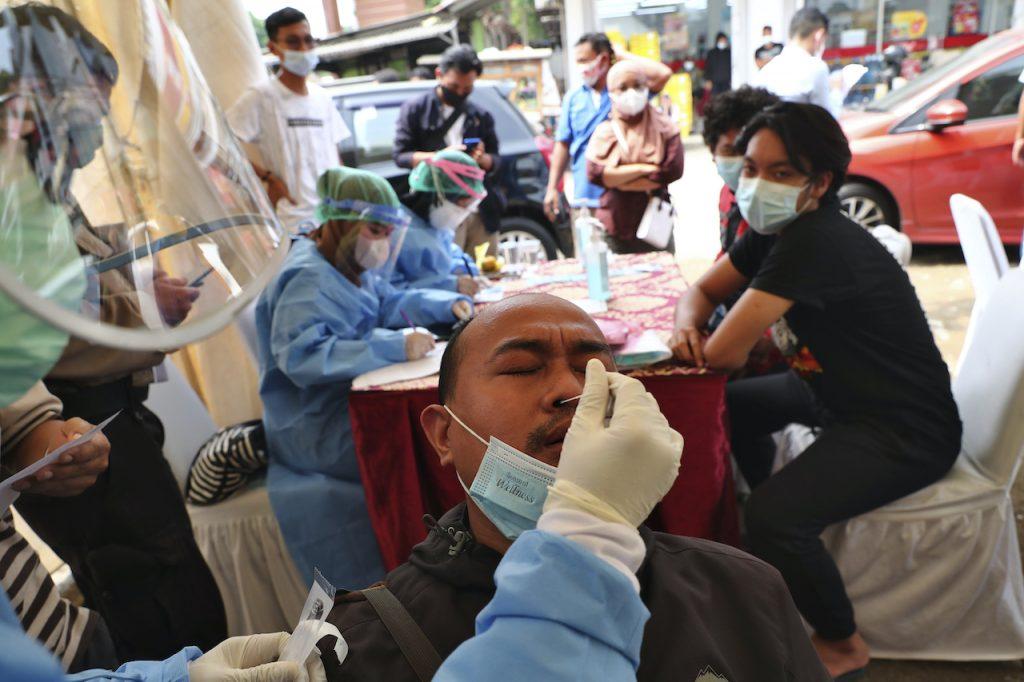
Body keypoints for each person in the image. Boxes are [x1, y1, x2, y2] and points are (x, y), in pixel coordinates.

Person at [323, 293, 830, 681]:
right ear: (444, 434)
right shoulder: (368, 645)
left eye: (597, 371)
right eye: (522, 368)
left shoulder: (744, 592)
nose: (574, 390)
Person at [669, 102, 962, 679]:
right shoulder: (774, 228)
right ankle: (759, 528)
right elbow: (700, 290)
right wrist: (686, 323)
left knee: (777, 518)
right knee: (724, 411)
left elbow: (725, 353)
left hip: (903, 427)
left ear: (818, 183)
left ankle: (843, 641)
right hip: (834, 393)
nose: (756, 183)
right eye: (750, 167)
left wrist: (702, 330)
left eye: (780, 173)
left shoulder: (814, 240)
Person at [0, 3, 226, 661]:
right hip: (73, 431)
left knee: (180, 594)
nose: (96, 131)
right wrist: (30, 427)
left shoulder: (43, 191)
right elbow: (42, 323)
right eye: (85, 108)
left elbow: (80, 282)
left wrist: (142, 301)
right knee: (158, 610)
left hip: (104, 421)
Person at [255, 166, 472, 590]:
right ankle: (430, 572)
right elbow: (301, 356)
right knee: (425, 447)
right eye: (375, 229)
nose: (382, 243)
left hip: (343, 404)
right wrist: (392, 346)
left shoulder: (342, 264)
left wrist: (448, 302)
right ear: (338, 220)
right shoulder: (307, 277)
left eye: (388, 231)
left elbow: (387, 301)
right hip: (316, 427)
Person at [227, 7, 351, 234]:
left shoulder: (322, 97)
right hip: (295, 221)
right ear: (273, 48)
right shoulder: (262, 96)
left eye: (308, 40)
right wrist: (267, 179)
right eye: (293, 42)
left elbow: (335, 154)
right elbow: (221, 142)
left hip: (333, 216)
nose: (303, 49)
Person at [543, 33, 672, 230]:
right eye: (577, 61)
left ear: (602, 59)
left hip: (623, 197)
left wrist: (620, 55)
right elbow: (563, 143)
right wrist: (552, 187)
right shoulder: (574, 98)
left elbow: (662, 74)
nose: (581, 67)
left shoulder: (626, 96)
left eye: (584, 60)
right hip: (585, 198)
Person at [393, 44, 501, 257]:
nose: (460, 93)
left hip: (479, 210)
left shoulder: (480, 115)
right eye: (454, 87)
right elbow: (400, 155)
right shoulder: (415, 110)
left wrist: (481, 159)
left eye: (467, 89)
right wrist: (442, 158)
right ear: (439, 74)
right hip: (438, 211)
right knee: (449, 275)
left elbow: (497, 160)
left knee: (489, 274)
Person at [702, 86, 780, 331]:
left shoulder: (780, 207)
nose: (743, 160)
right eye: (730, 150)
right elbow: (725, 256)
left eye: (748, 148)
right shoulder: (727, 195)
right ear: (713, 153)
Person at [585, 60, 684, 254]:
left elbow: (671, 171)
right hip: (616, 225)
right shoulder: (604, 131)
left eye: (638, 86)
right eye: (623, 87)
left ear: (647, 87)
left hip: (656, 223)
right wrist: (644, 169)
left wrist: (617, 178)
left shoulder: (665, 128)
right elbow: (595, 174)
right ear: (611, 91)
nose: (631, 93)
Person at [393, 149, 486, 295]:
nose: (465, 212)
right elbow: (390, 295)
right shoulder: (397, 233)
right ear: (438, 195)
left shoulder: (435, 226)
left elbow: (448, 258)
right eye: (463, 203)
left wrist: (466, 272)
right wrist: (450, 286)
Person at [753, 8, 838, 117]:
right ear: (819, 35)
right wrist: (837, 91)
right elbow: (828, 121)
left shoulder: (765, 72)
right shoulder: (816, 68)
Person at [703, 32, 732, 97]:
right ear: (717, 41)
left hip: (726, 82)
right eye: (721, 40)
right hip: (714, 82)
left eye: (724, 40)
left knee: (726, 99)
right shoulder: (711, 53)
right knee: (715, 100)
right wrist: (708, 80)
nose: (723, 42)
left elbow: (732, 67)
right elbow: (707, 67)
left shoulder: (729, 53)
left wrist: (732, 79)